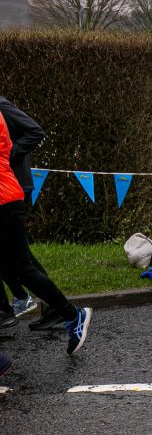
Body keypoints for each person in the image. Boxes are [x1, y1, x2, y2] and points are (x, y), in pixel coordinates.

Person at [0, 99, 92, 355]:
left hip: (5, 202)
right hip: (6, 198)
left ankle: (71, 314)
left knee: (23, 268)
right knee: (14, 267)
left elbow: (27, 136)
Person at [0, 97, 44, 322]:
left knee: (20, 256)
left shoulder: (1, 105)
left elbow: (35, 131)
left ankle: (53, 306)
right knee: (16, 255)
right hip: (7, 186)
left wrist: (7, 156)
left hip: (12, 185)